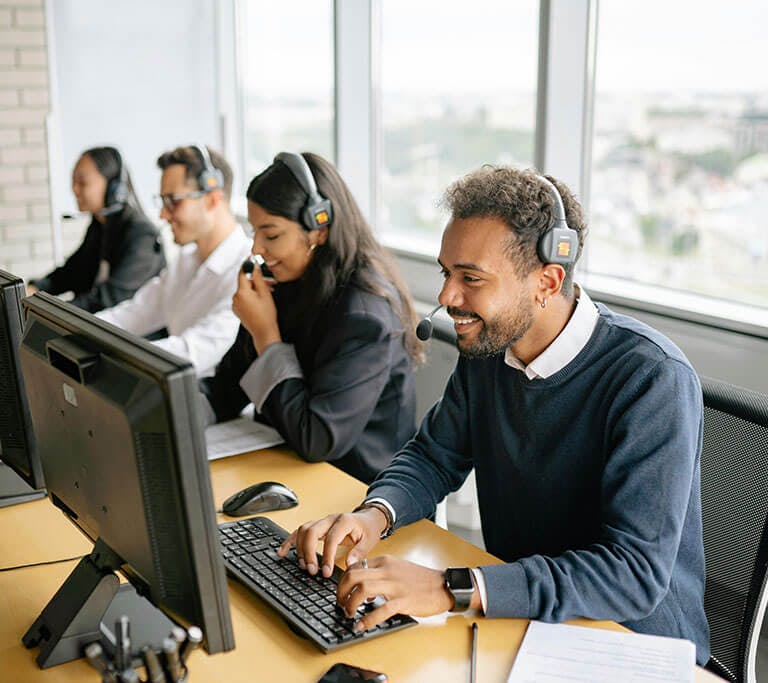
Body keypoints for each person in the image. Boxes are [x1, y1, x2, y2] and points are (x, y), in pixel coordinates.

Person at [280, 166, 711, 665]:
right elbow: (434, 456)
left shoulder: (651, 378)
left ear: (546, 281)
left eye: (471, 278)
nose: (446, 297)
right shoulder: (489, 351)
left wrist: (453, 587)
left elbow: (633, 574)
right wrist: (373, 516)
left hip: (628, 642)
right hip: (523, 617)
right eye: (447, 273)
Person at [200, 152, 422, 484]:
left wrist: (265, 335)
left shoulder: (364, 315)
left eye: (271, 235)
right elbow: (226, 390)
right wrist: (170, 416)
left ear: (319, 227)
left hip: (353, 490)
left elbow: (317, 438)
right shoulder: (288, 285)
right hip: (288, 469)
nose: (256, 248)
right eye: (255, 232)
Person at [96, 145, 251, 377]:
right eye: (162, 201)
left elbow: (191, 351)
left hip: (219, 407)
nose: (162, 215)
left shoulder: (247, 269)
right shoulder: (186, 261)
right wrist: (78, 330)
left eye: (173, 202)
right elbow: (134, 313)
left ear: (211, 199)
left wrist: (113, 358)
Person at [27, 146, 165, 312]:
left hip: (136, 333)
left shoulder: (142, 235)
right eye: (73, 181)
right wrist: (34, 290)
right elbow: (72, 272)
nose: (74, 189)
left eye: (83, 182)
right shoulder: (100, 225)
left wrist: (51, 312)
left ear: (114, 188)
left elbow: (108, 300)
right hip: (103, 325)